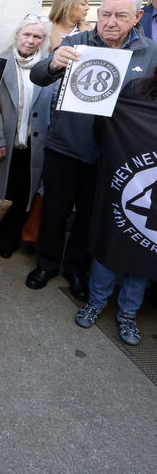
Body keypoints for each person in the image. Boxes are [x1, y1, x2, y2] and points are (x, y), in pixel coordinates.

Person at [27, 0, 157, 299]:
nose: (110, 22)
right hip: (65, 144)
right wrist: (54, 62)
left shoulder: (150, 53)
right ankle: (46, 263)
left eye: (120, 15)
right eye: (105, 14)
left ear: (138, 17)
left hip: (112, 154)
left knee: (90, 214)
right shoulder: (76, 42)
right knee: (55, 210)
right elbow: (38, 76)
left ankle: (76, 268)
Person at [74, 67, 157, 345]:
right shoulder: (137, 88)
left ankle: (128, 316)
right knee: (112, 240)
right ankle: (96, 302)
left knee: (145, 250)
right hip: (127, 181)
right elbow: (108, 124)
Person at [0, 14, 54, 258]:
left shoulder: (50, 67)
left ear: (43, 40)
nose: (31, 40)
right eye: (26, 34)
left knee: (21, 195)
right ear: (17, 35)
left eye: (37, 36)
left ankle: (9, 241)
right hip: (5, 144)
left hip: (34, 146)